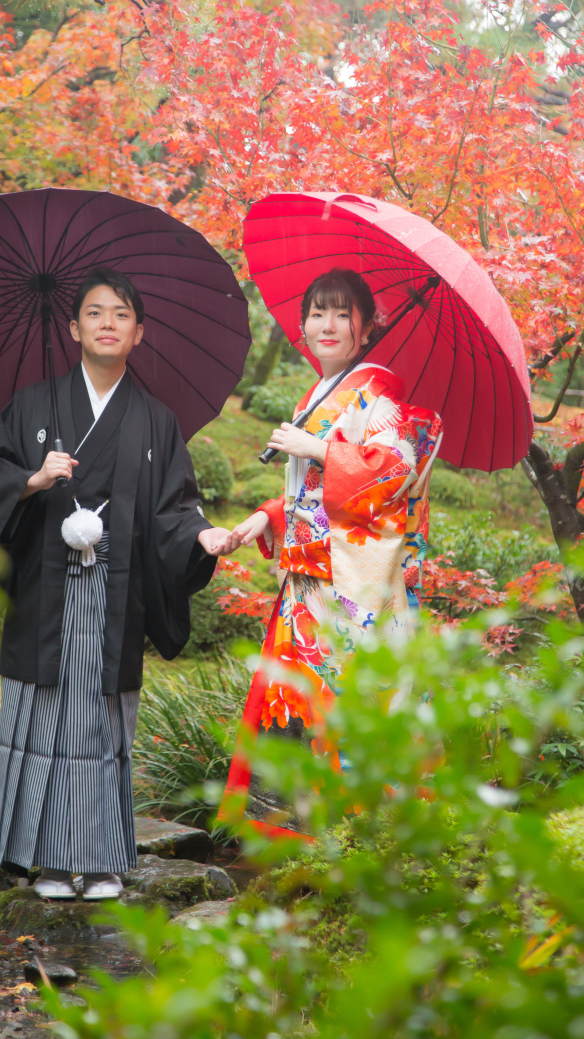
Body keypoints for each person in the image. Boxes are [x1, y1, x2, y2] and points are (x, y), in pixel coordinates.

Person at [0, 268, 233, 900]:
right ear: (72, 328)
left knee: (102, 723)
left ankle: (102, 861)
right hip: (44, 586)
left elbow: (174, 506)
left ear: (139, 332)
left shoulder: (157, 420)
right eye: (94, 312)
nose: (107, 322)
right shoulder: (33, 403)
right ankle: (50, 863)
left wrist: (200, 537)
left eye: (120, 314)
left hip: (113, 590)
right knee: (46, 714)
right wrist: (33, 480)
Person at [220, 267, 443, 833]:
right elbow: (311, 497)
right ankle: (288, 836)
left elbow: (393, 473)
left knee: (346, 706)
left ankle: (352, 838)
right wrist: (263, 516)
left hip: (348, 585)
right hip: (310, 581)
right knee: (293, 704)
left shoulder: (380, 388)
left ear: (365, 328)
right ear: (301, 325)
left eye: (343, 313)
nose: (328, 324)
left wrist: (316, 447)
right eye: (317, 312)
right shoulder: (319, 391)